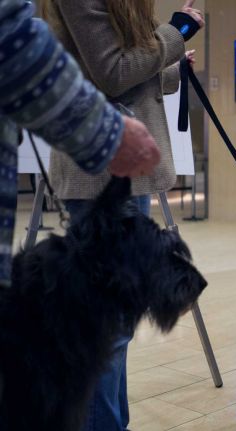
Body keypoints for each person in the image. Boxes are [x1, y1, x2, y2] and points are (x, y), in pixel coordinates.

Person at [40, 1, 204, 429]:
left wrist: (171, 60)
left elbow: (128, 73)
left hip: (122, 172)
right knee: (107, 328)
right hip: (102, 175)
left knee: (116, 325)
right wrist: (175, 33)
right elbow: (112, 73)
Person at [0, 0, 160, 287]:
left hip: (114, 167)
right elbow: (14, 43)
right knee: (109, 300)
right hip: (99, 171)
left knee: (116, 299)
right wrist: (106, 132)